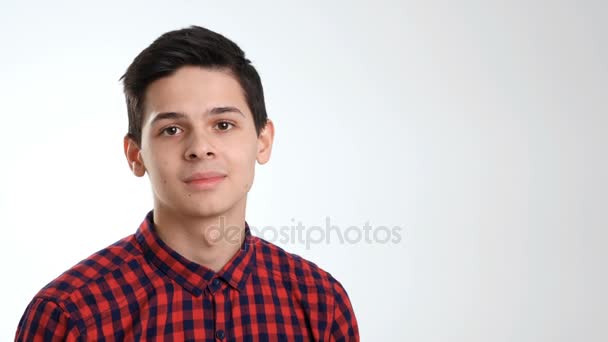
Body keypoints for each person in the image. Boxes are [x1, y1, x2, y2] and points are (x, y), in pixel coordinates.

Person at [14, 25, 359, 341]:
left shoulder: (320, 303)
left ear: (263, 140)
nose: (200, 149)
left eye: (223, 125)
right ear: (136, 155)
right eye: (172, 130)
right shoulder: (68, 316)